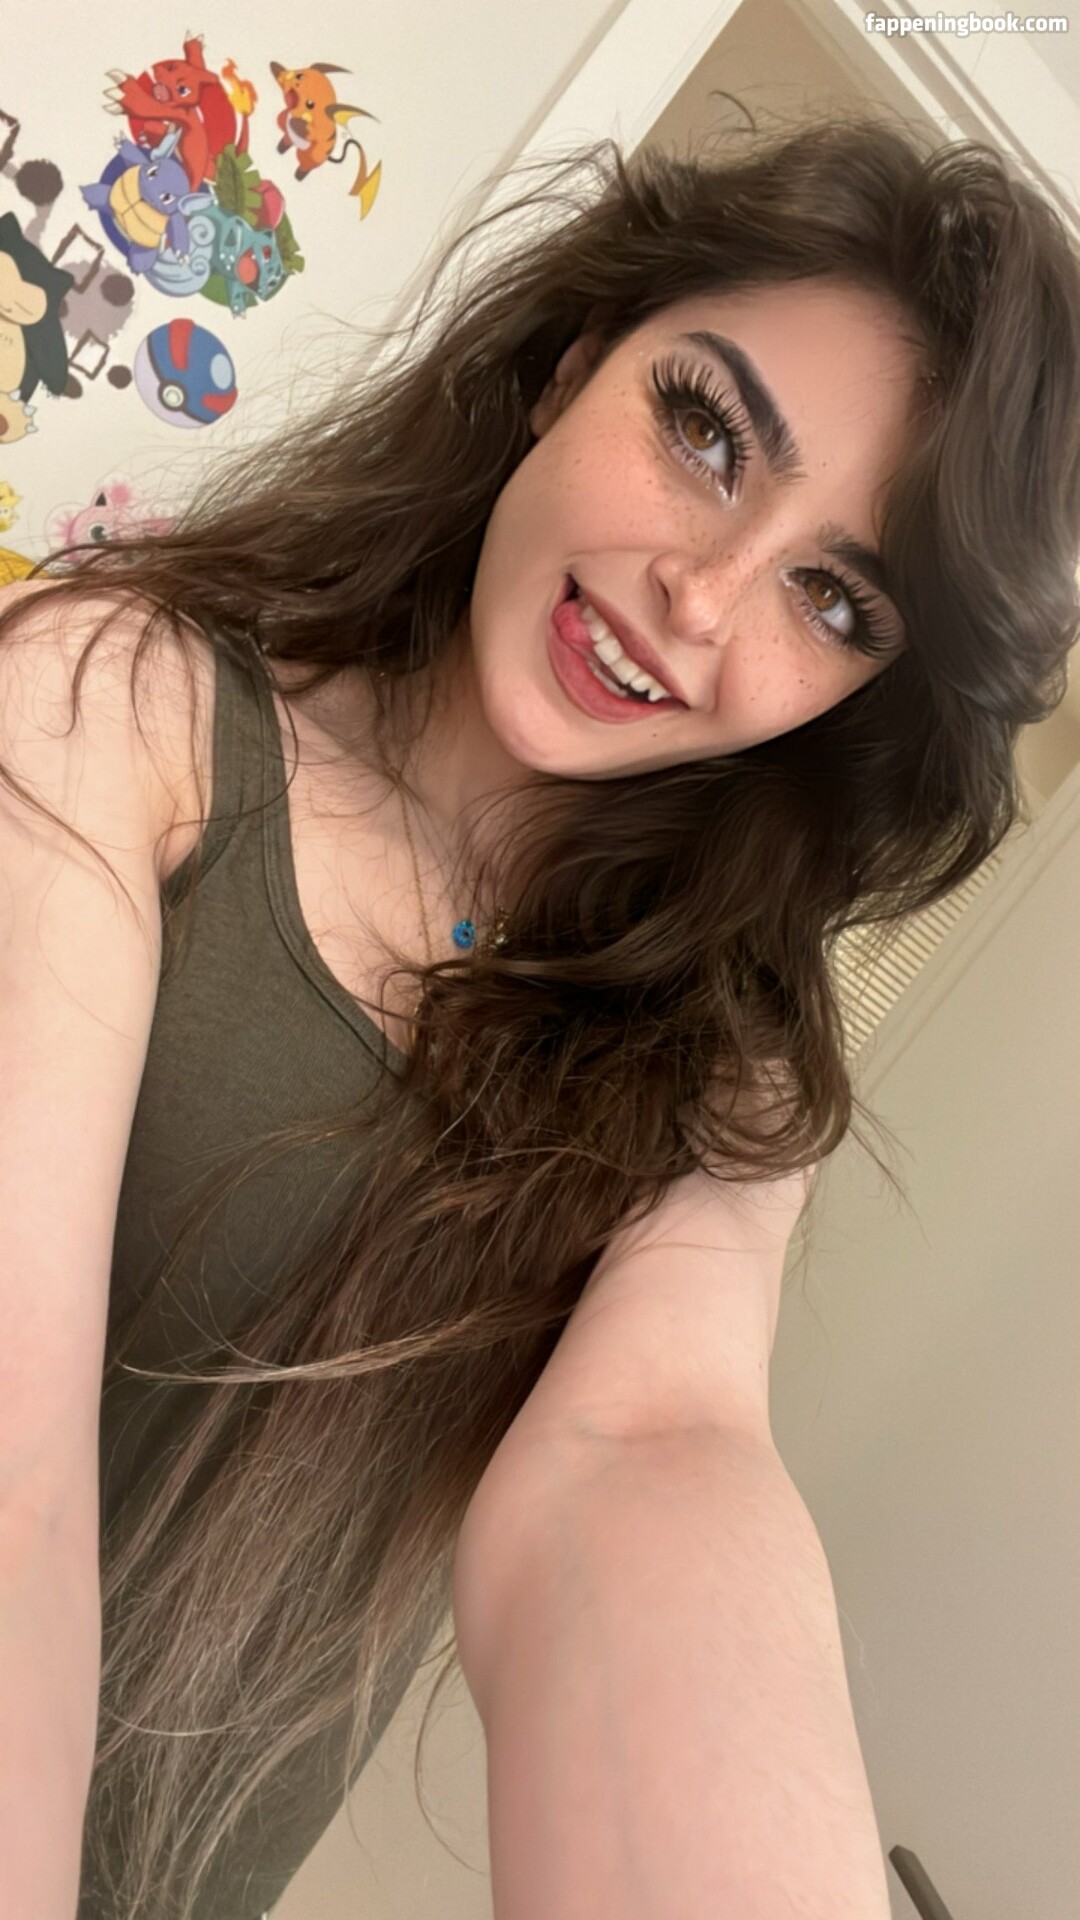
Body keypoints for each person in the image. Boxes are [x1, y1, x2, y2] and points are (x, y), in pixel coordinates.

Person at [1, 111, 1078, 1920]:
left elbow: (649, 1458)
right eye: (706, 431)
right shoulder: (116, 706)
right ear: (571, 364)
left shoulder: (724, 1075)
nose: (702, 601)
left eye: (833, 596)